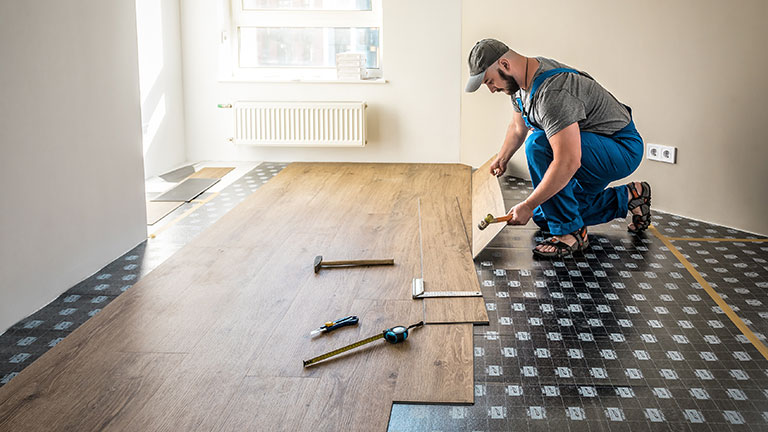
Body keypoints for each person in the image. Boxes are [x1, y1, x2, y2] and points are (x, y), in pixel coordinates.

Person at [465, 38, 651, 258]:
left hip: (619, 148)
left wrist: (527, 204)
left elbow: (568, 161)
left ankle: (571, 234)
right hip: (590, 148)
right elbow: (518, 127)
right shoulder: (519, 85)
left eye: (489, 81)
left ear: (504, 65)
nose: (492, 89)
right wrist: (503, 158)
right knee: (544, 216)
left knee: (538, 145)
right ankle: (630, 196)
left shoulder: (553, 92)